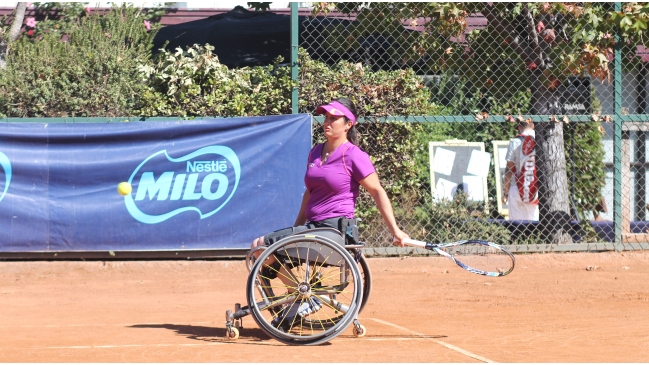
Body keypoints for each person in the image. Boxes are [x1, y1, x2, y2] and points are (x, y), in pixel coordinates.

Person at [249, 97, 410, 326]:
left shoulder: (354, 156)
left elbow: (377, 191)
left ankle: (301, 300)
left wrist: (396, 230)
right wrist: (296, 228)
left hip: (334, 231)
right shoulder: (315, 152)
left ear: (348, 124)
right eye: (326, 117)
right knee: (260, 248)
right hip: (312, 230)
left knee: (261, 244)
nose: (327, 122)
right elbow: (309, 193)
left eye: (334, 118)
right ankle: (300, 299)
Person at [502, 119, 539, 221]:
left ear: (519, 127)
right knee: (535, 225)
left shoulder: (515, 142)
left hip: (516, 189)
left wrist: (505, 192)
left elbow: (509, 170)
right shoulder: (540, 140)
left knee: (516, 226)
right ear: (534, 125)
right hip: (535, 190)